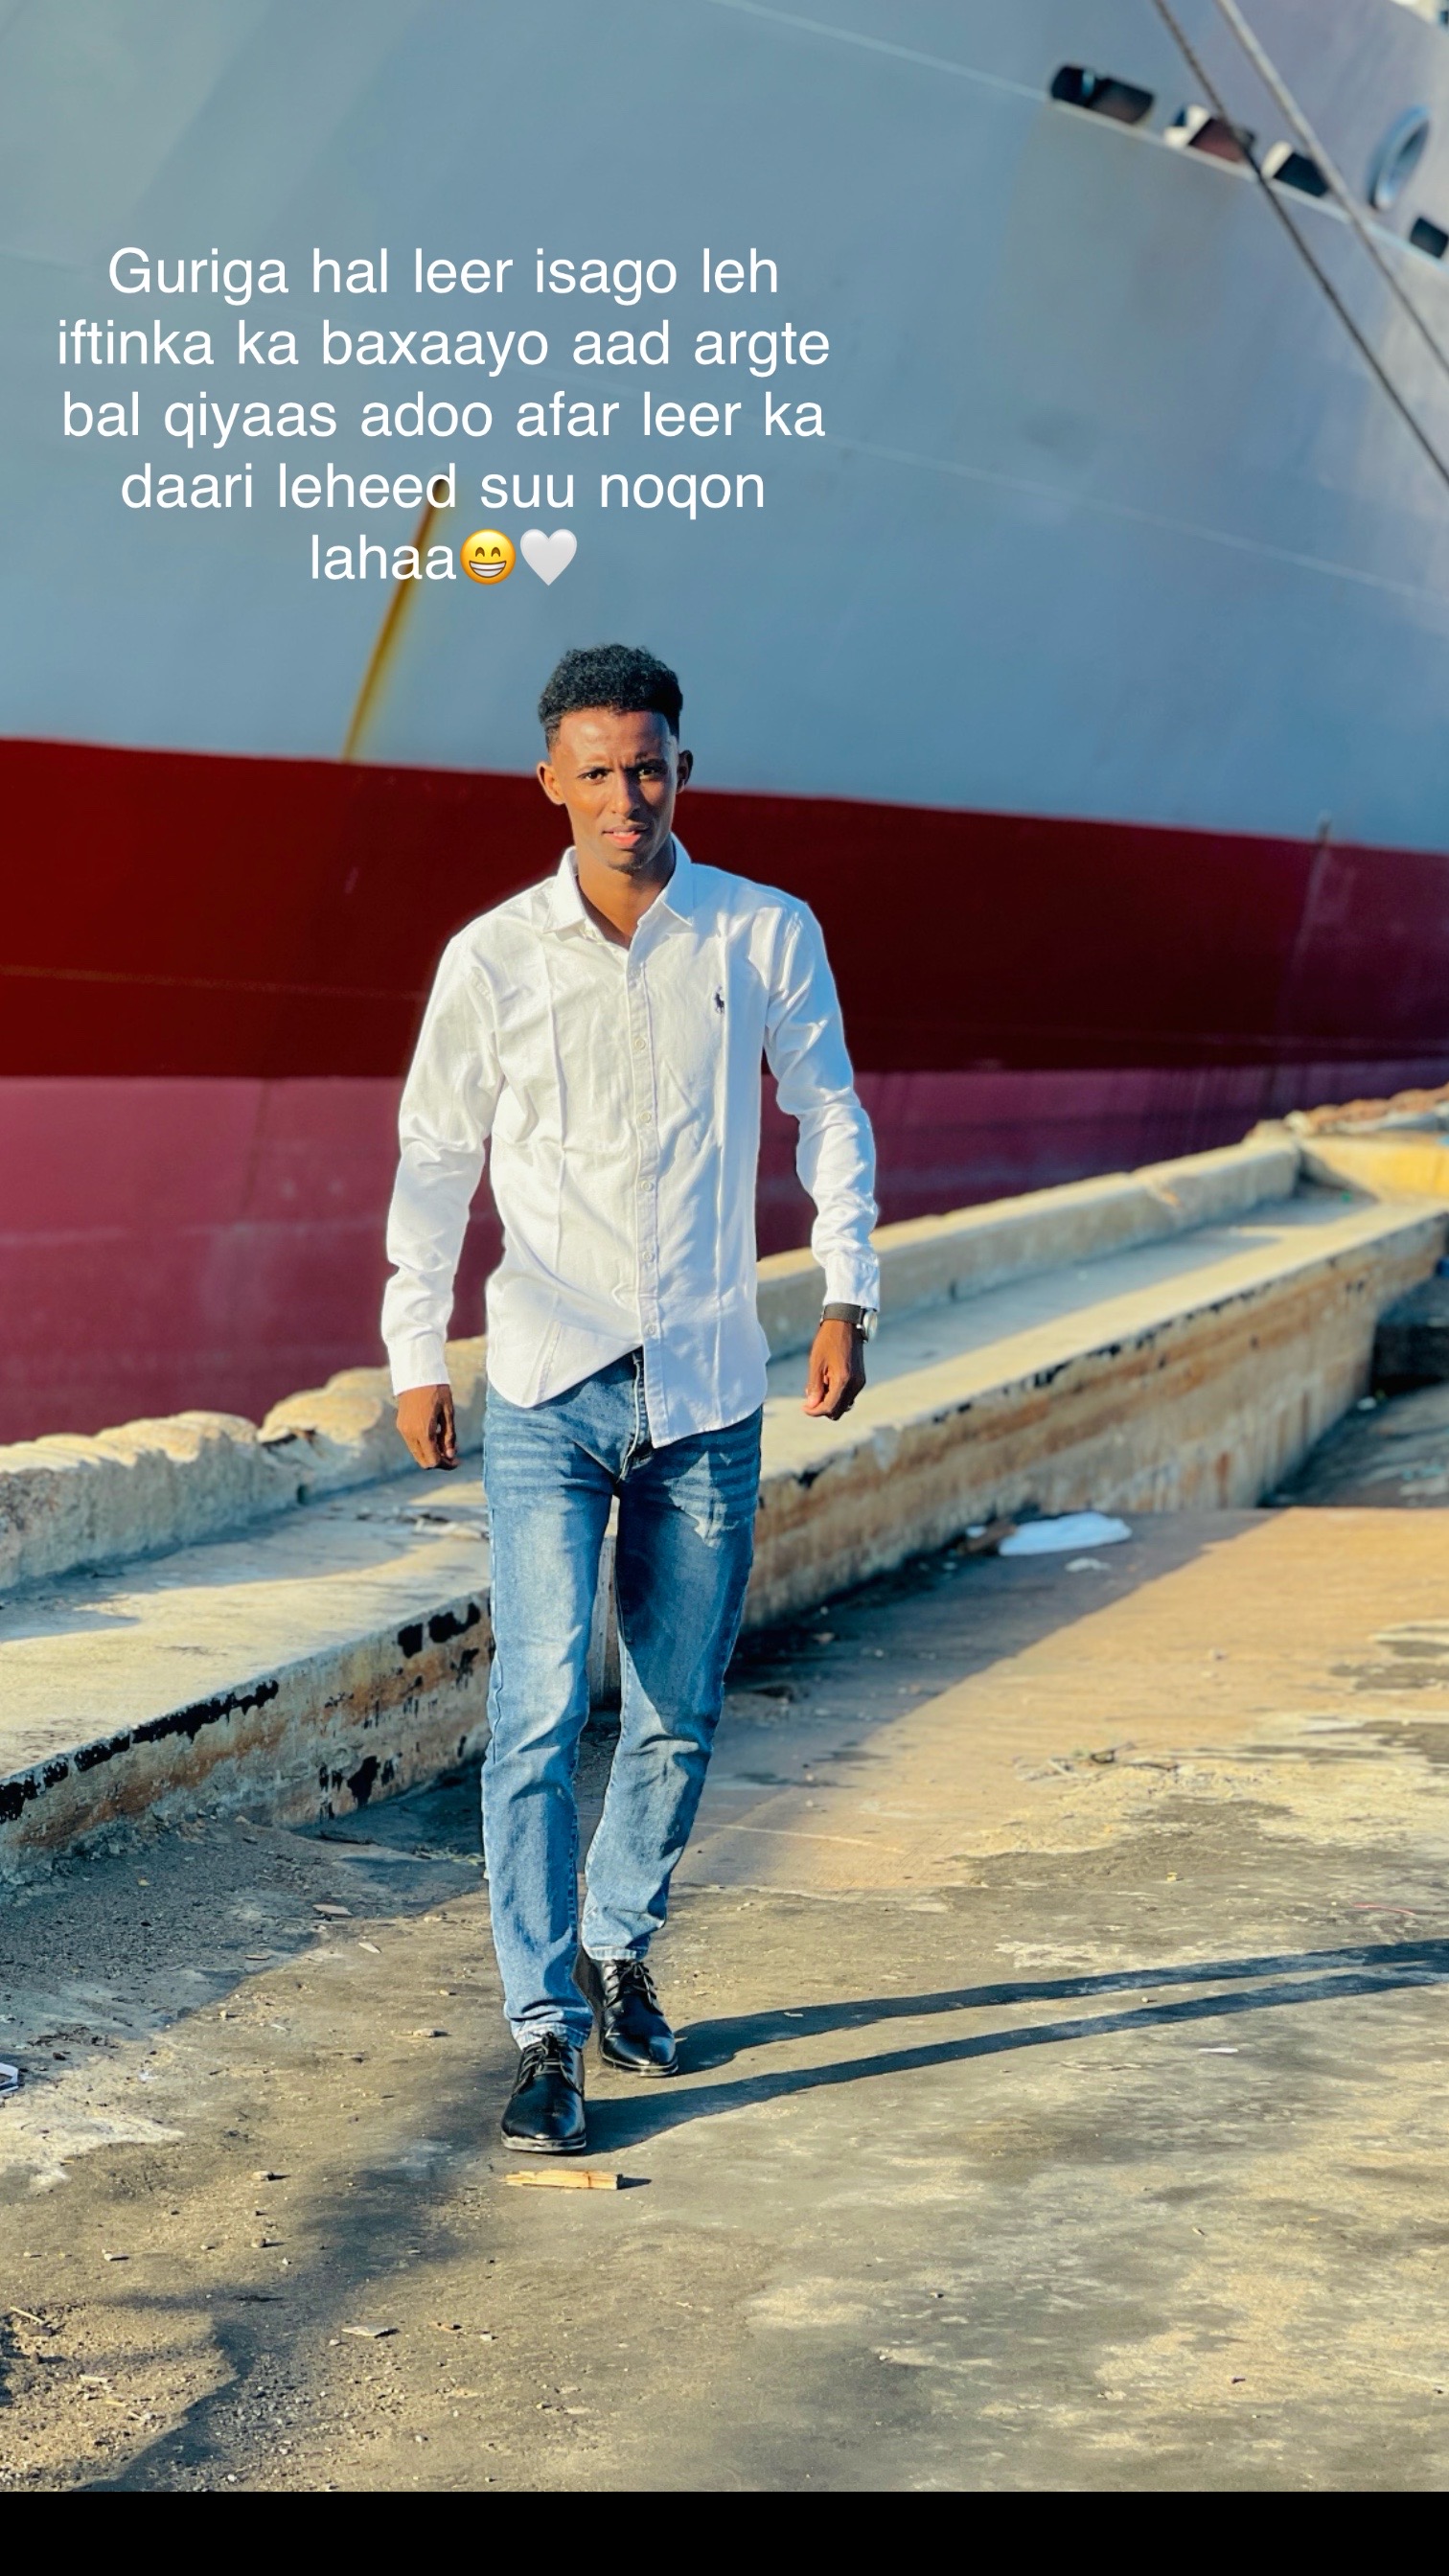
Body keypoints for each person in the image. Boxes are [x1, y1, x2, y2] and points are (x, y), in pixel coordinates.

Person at [381, 642, 879, 2152]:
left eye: (647, 767)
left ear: (682, 770)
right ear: (551, 779)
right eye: (595, 771)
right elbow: (436, 1159)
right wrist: (415, 1350)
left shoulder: (763, 931)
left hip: (707, 1389)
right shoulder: (494, 957)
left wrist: (846, 1291)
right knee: (536, 1709)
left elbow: (828, 1108)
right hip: (547, 1385)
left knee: (677, 1711)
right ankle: (543, 2033)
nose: (625, 795)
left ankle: (618, 1946)